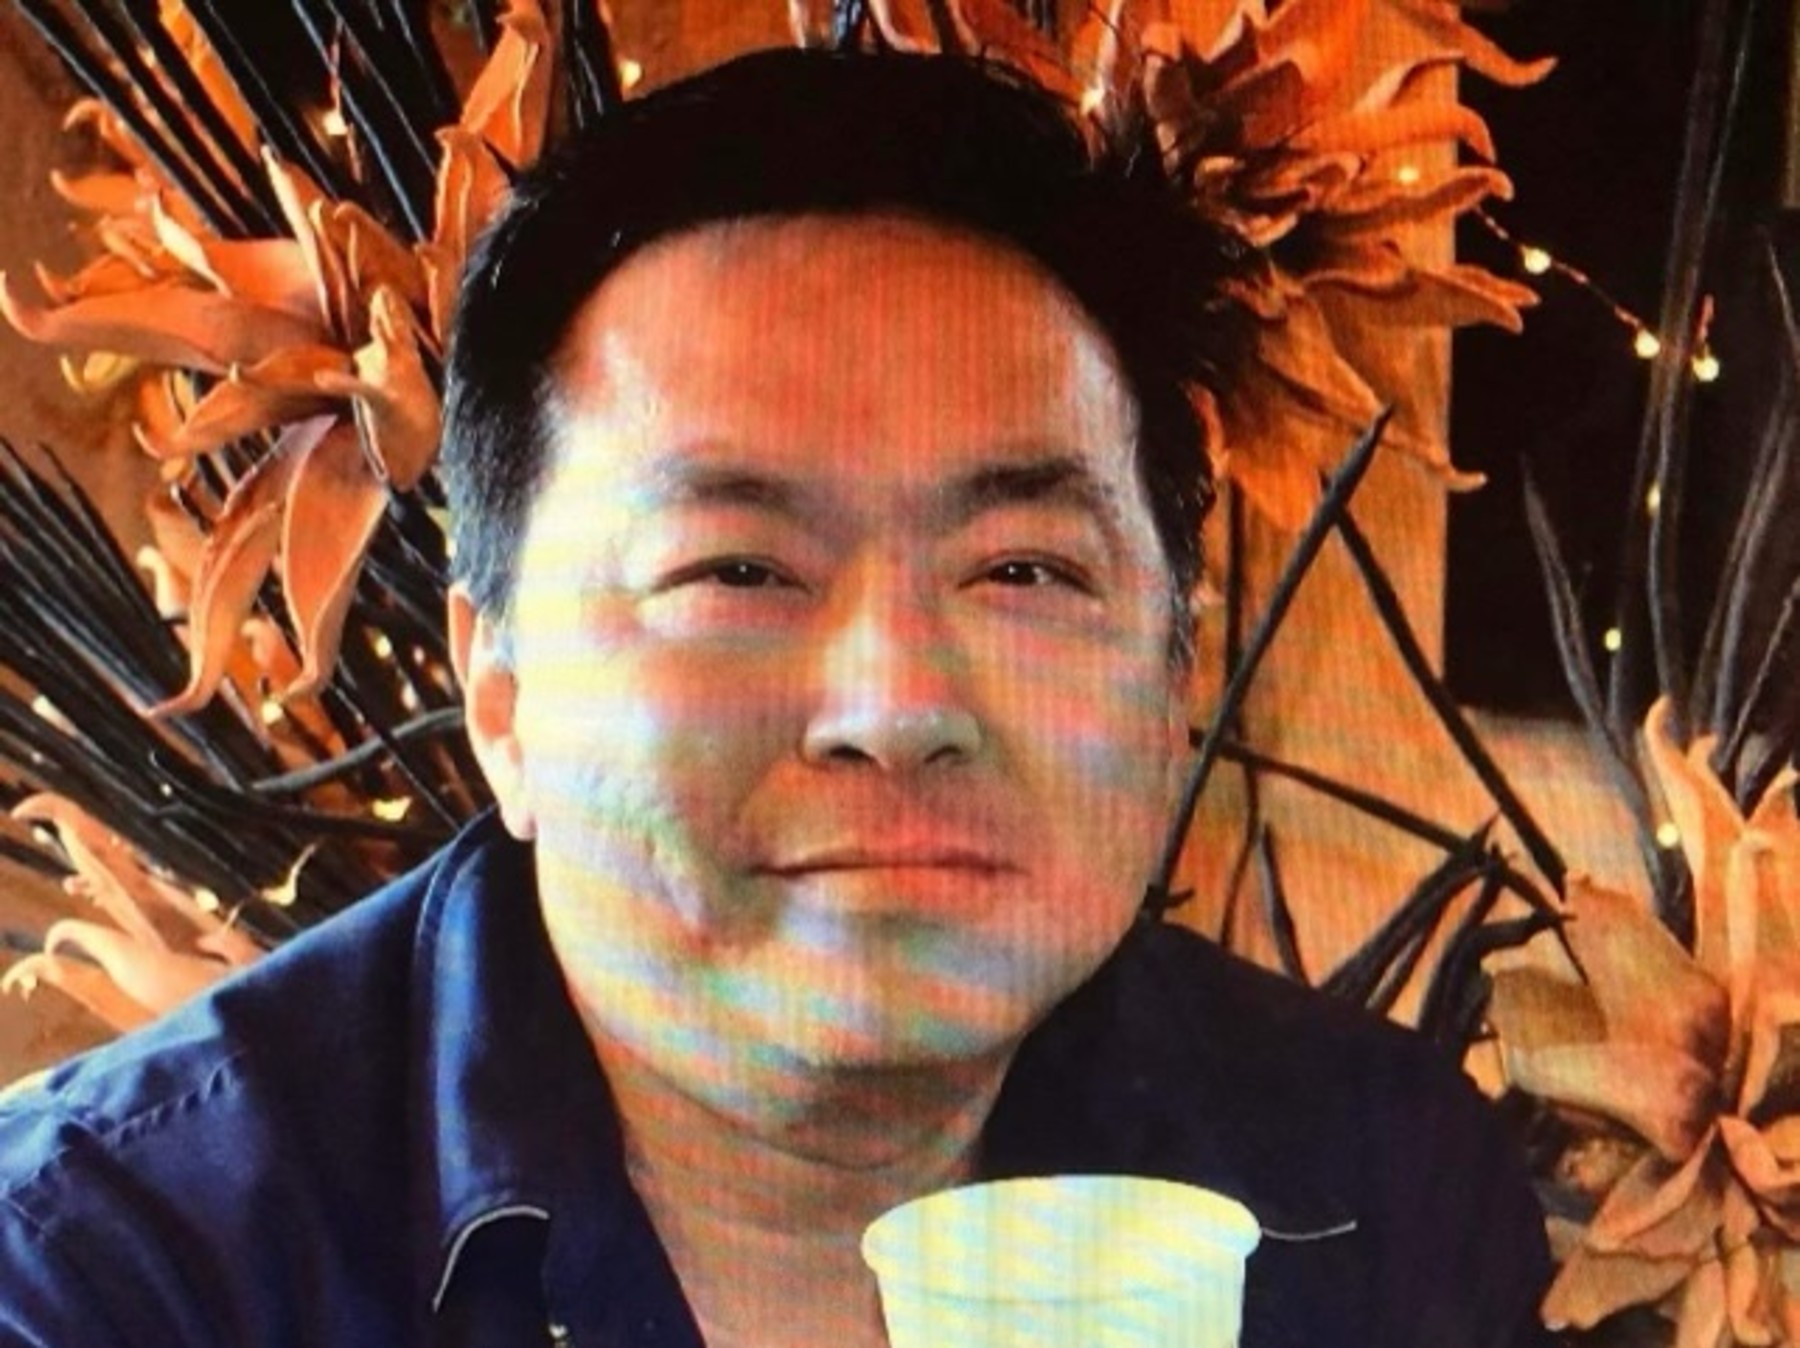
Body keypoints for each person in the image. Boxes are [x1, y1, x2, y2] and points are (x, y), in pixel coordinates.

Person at [0, 47, 1551, 1347]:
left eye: (1021, 571)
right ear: (502, 696)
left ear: (1173, 687)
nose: (895, 704)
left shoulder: (1376, 1190)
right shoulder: (116, 1275)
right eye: (738, 570)